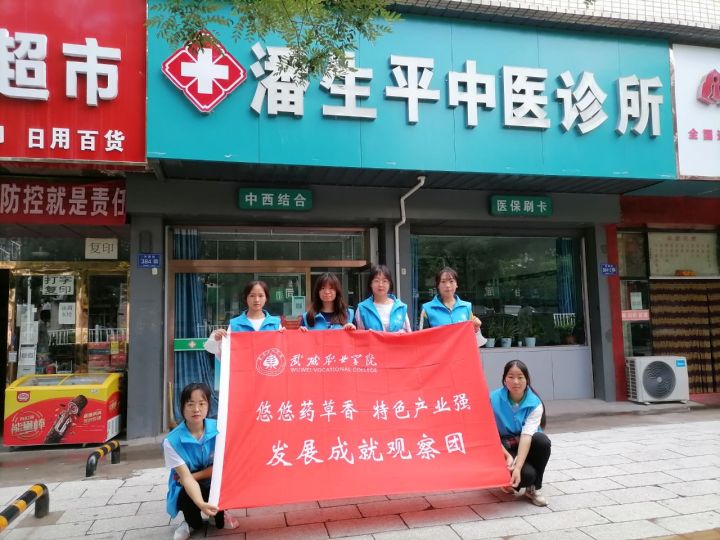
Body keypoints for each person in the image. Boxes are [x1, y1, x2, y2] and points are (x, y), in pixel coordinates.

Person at [163, 382, 239, 540]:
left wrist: (195, 476)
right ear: (182, 407)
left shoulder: (220, 429)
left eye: (201, 404)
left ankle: (217, 515)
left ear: (208, 406)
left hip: (212, 482)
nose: (196, 409)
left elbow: (224, 467)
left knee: (219, 523)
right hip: (187, 486)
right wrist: (201, 503)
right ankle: (189, 522)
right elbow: (185, 479)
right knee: (193, 514)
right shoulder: (171, 441)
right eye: (190, 404)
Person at [489, 360, 551, 506]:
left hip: (526, 442)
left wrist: (517, 467)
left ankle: (533, 488)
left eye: (520, 377)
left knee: (542, 441)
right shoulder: (492, 398)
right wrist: (506, 456)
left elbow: (527, 436)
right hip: (503, 445)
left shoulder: (535, 403)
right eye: (511, 377)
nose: (515, 382)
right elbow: (487, 431)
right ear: (504, 379)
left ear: (527, 380)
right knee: (527, 475)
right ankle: (504, 478)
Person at [205, 280, 283, 389]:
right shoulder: (235, 324)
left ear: (266, 298)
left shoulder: (275, 323)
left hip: (268, 379)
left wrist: (299, 334)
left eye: (261, 296)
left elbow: (283, 352)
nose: (257, 300)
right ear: (246, 298)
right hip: (243, 379)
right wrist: (218, 339)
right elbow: (226, 355)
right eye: (252, 296)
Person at [418, 266, 483, 334]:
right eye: (443, 281)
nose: (448, 285)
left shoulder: (466, 307)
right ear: (438, 285)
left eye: (451, 281)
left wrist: (476, 327)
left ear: (456, 284)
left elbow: (471, 334)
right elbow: (422, 337)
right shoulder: (427, 309)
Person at [354, 264, 411, 332]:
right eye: (376, 280)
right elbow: (360, 335)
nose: (380, 285)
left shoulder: (401, 307)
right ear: (370, 284)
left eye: (384, 281)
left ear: (390, 284)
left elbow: (408, 333)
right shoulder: (362, 308)